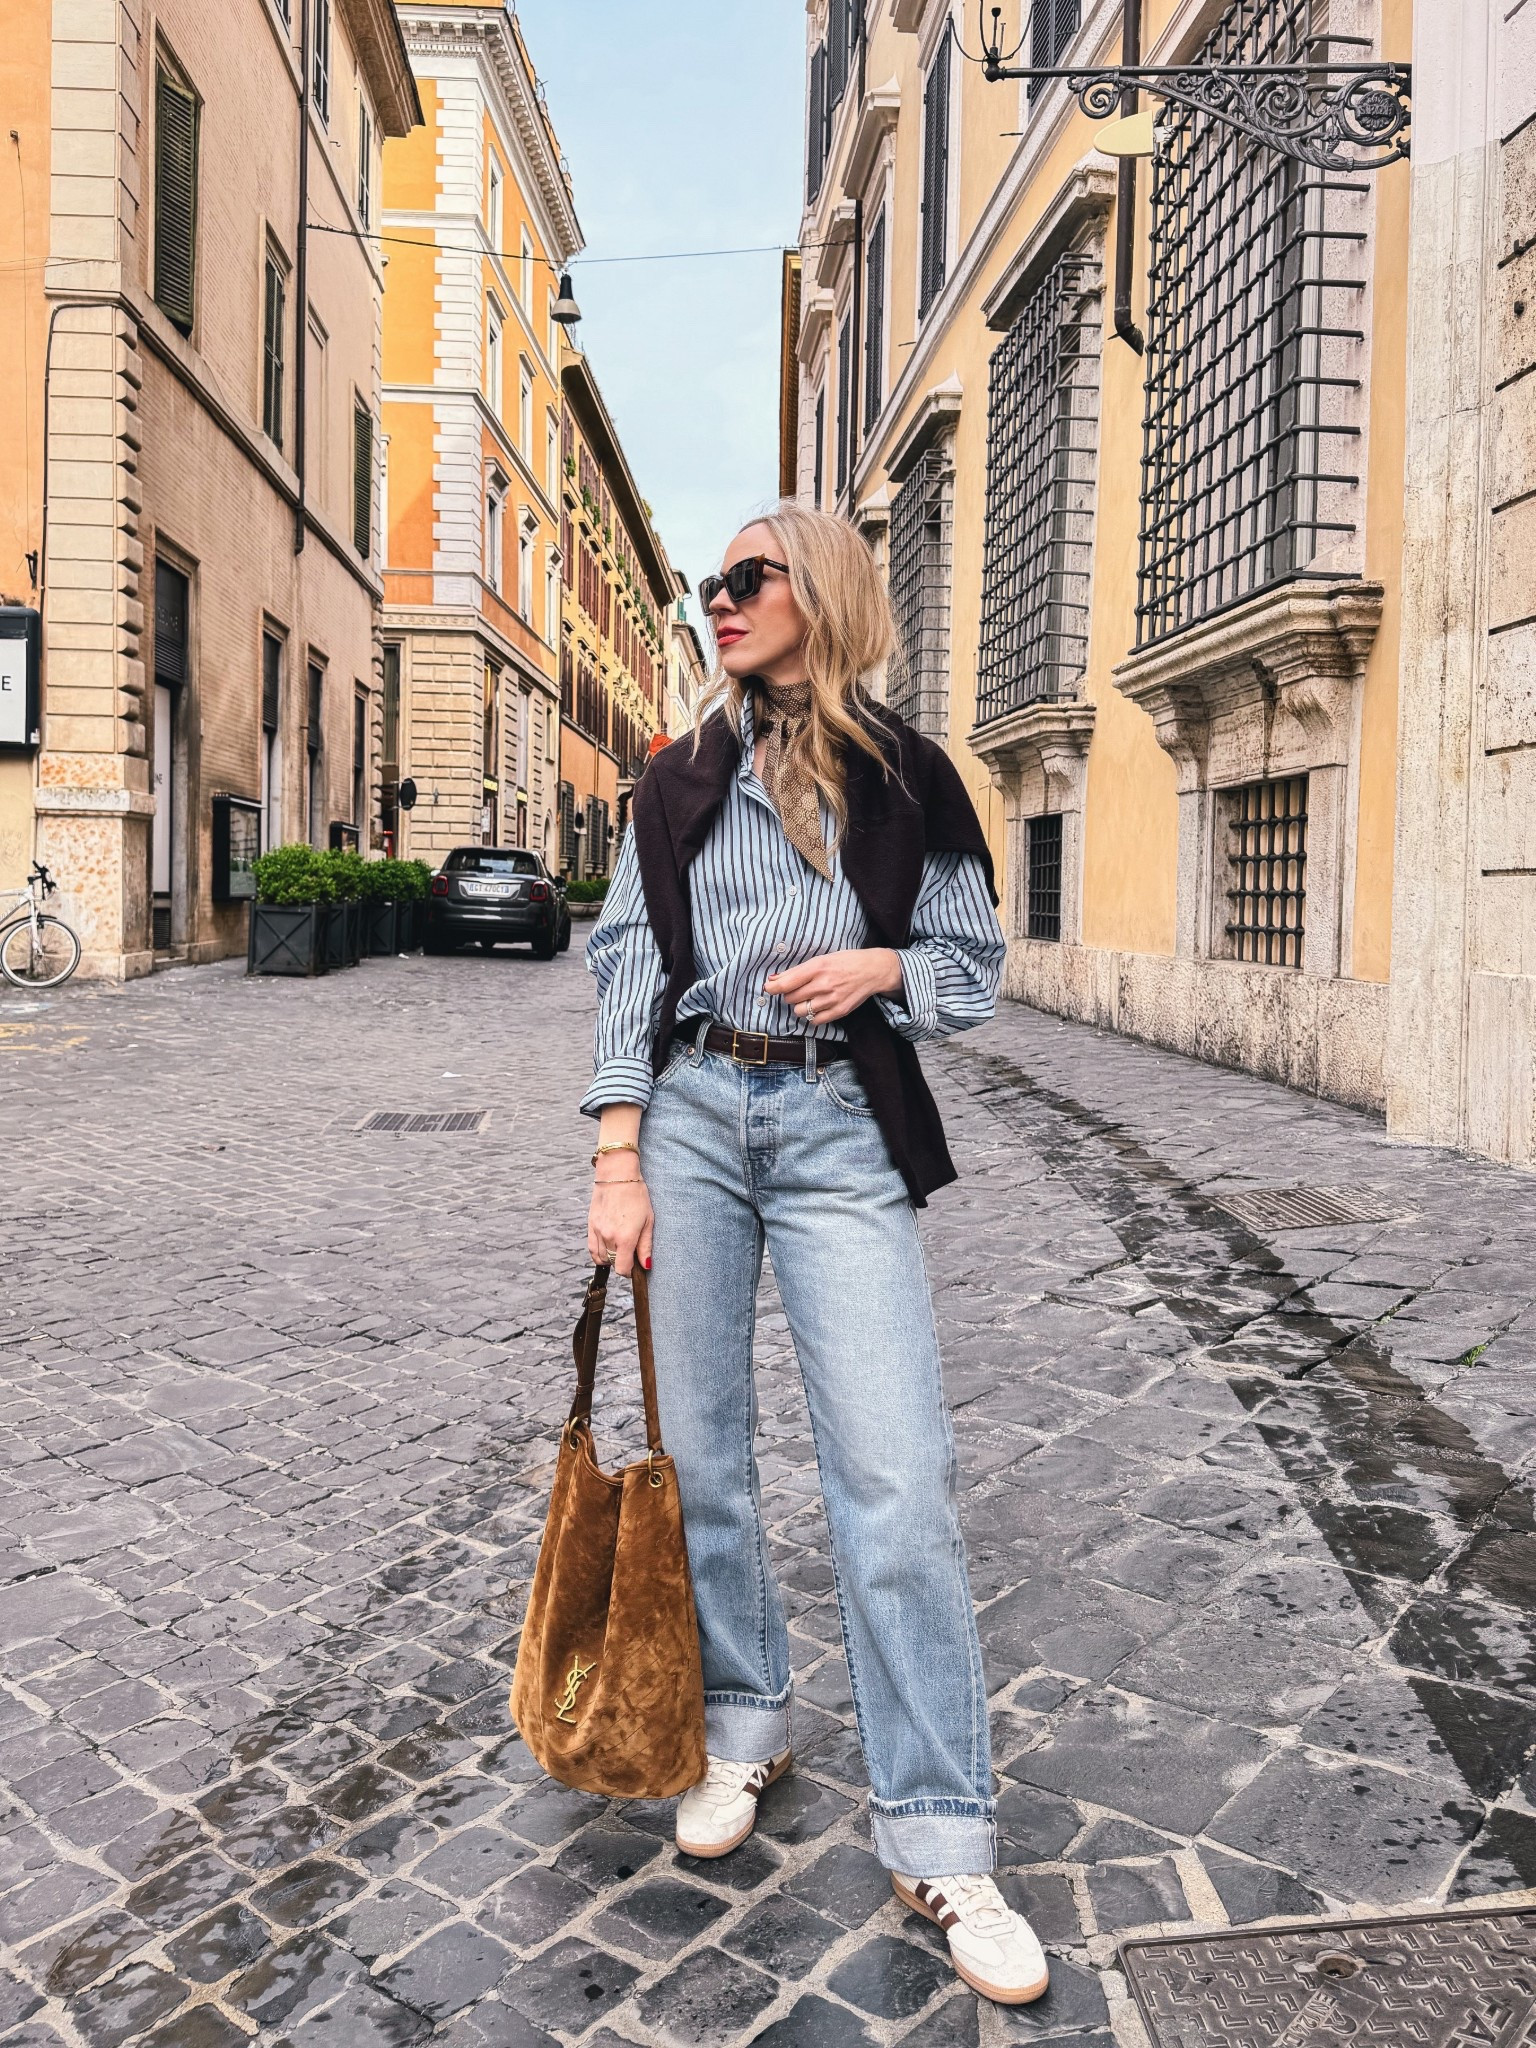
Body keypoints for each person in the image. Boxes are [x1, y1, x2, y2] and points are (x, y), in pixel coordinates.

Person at [581, 504, 1047, 2007]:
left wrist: (889, 966)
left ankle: (940, 1832)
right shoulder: (676, 778)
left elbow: (975, 976)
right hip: (698, 1120)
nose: (719, 603)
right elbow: (626, 968)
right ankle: (741, 1725)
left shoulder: (910, 776)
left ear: (822, 591)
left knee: (896, 1476)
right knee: (704, 1454)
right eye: (710, 586)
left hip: (844, 1123)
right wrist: (616, 1155)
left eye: (747, 581)